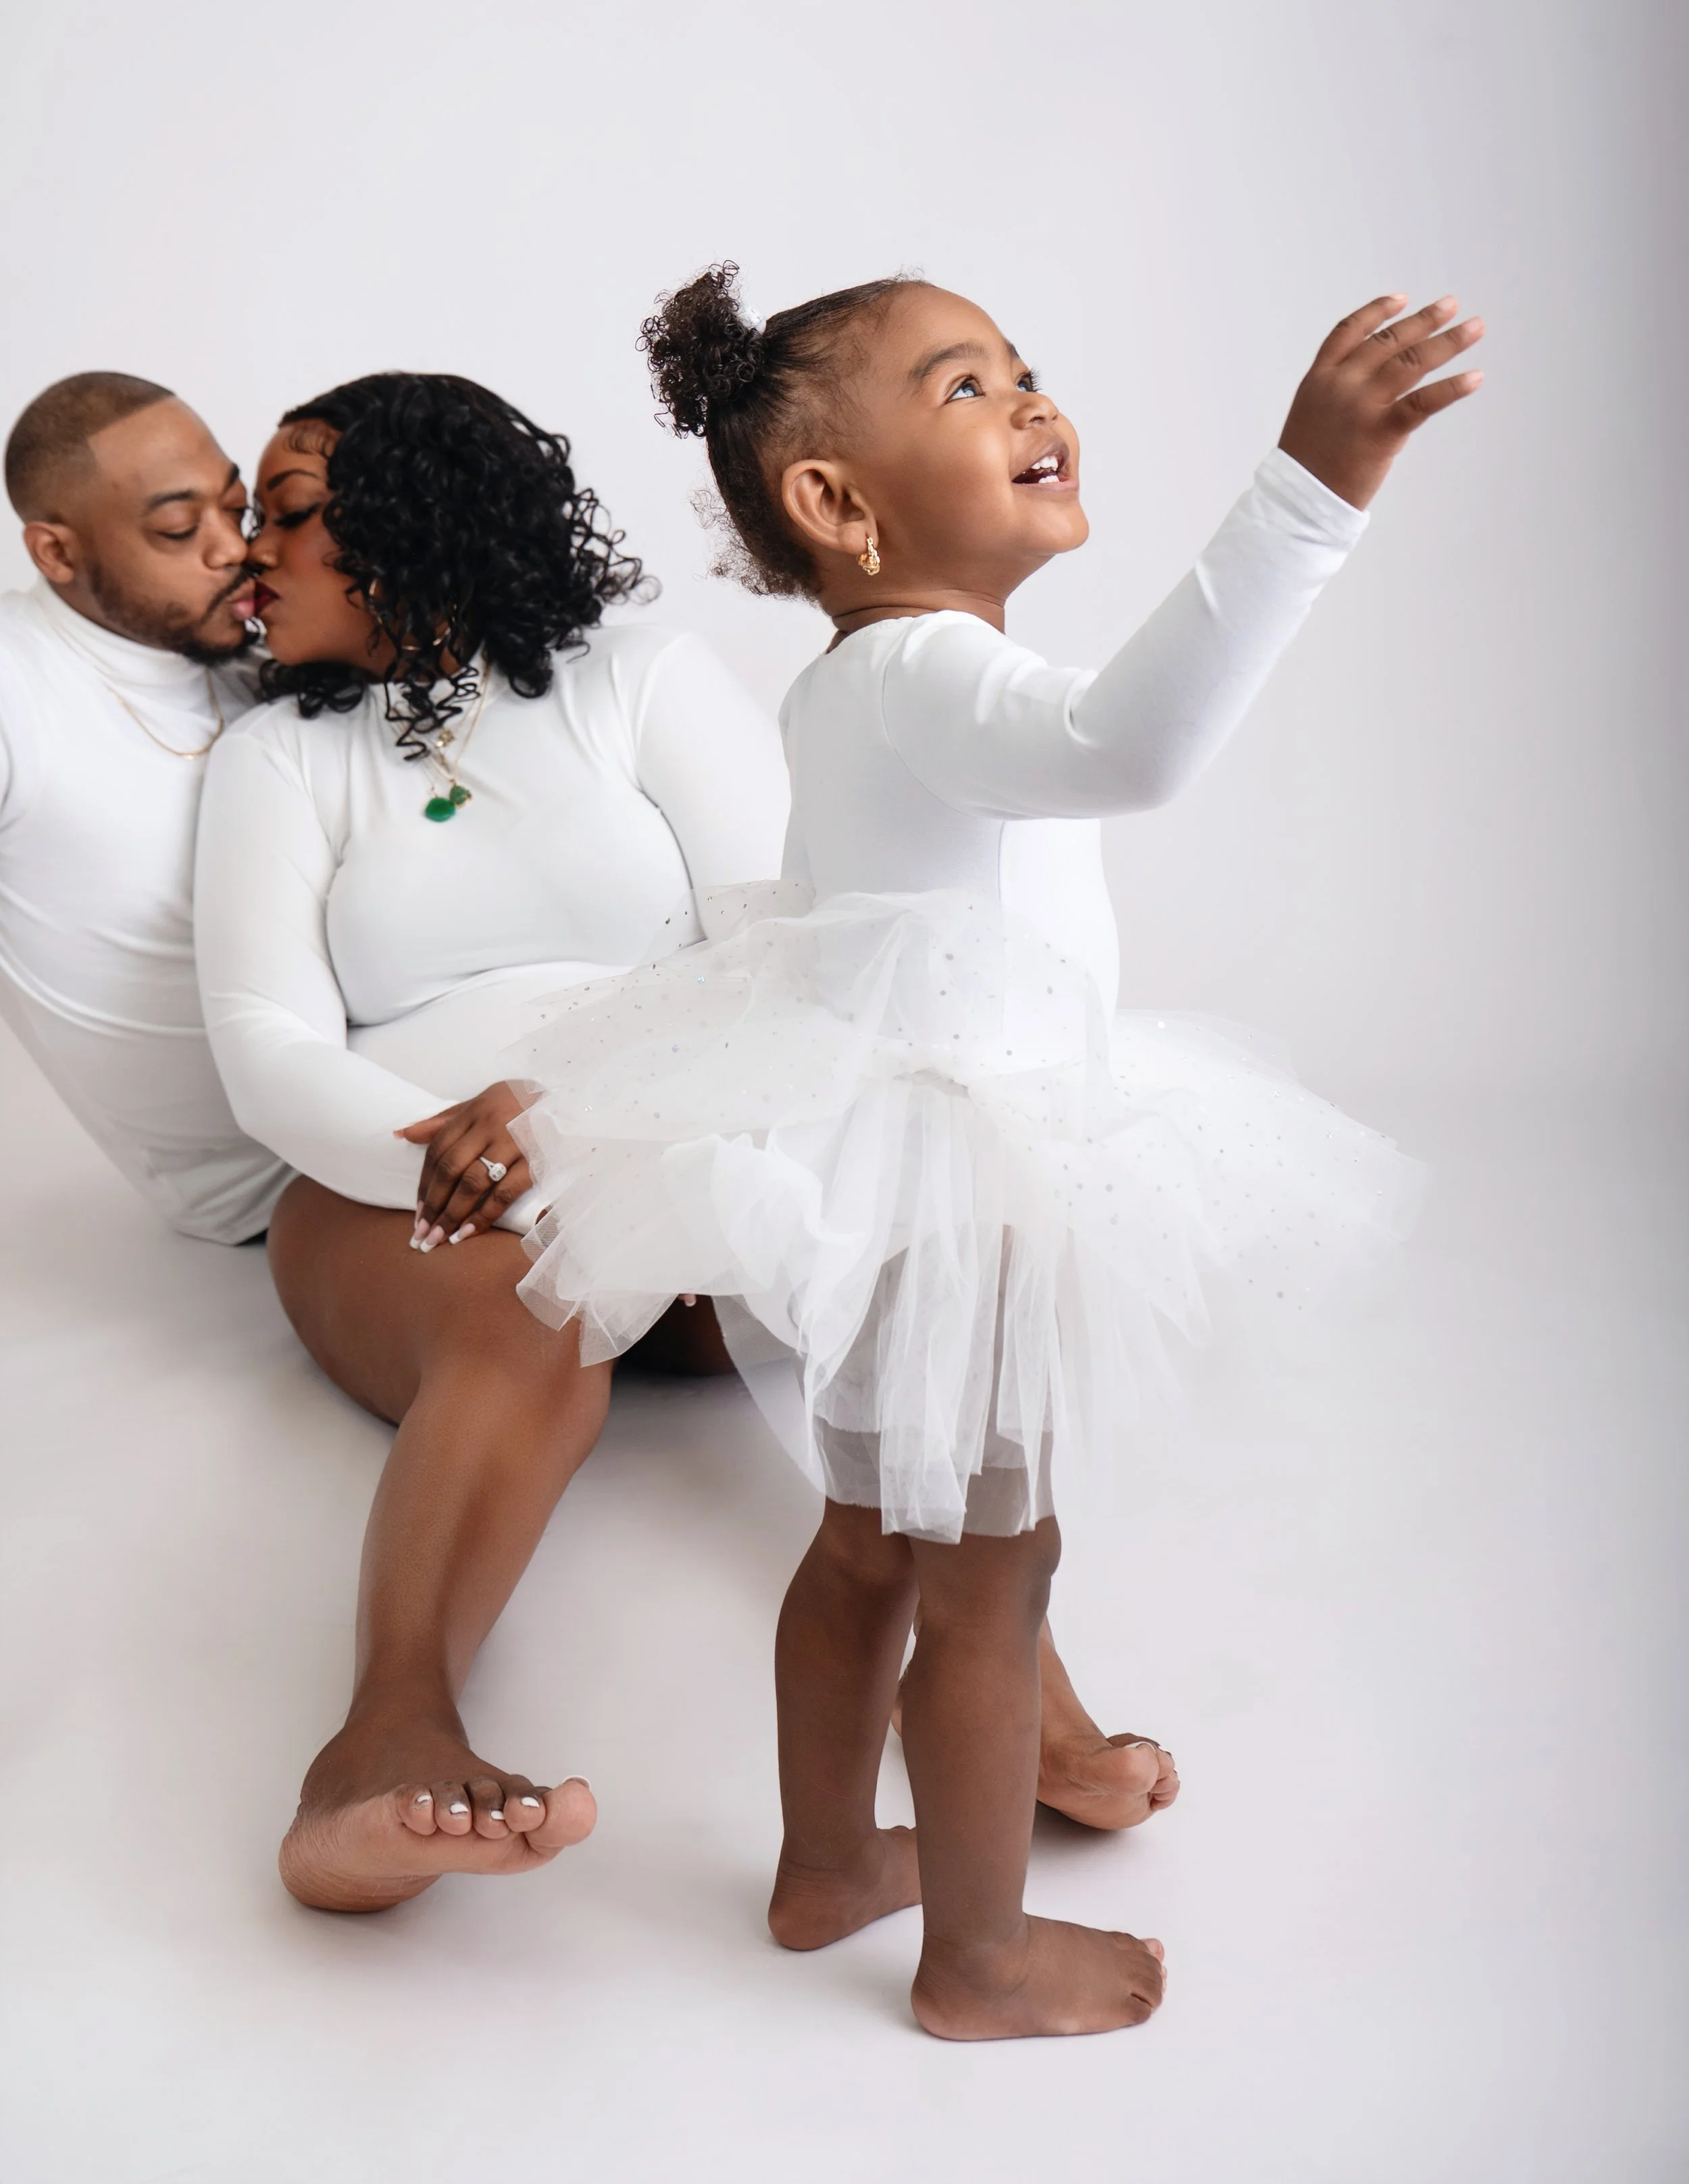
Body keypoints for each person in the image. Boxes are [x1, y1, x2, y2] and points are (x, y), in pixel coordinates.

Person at [511, 267, 1482, 2037]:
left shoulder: (851, 679)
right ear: (834, 502)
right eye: (967, 386)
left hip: (902, 1163)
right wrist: (1304, 496)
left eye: (1026, 368)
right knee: (990, 1579)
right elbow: (1131, 748)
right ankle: (977, 1959)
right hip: (975, 1178)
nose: (1034, 402)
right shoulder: (932, 667)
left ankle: (826, 1871)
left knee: (870, 1545)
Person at [192, 368, 1173, 1919]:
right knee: (529, 1332)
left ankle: (1010, 1702)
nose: (252, 552)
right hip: (405, 1195)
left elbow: (784, 937)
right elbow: (263, 1046)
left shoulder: (629, 679)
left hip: (675, 1130)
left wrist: (582, 1112)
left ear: (411, 524)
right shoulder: (276, 760)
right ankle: (379, 1744)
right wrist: (460, 1147)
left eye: (291, 514)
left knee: (910, 1263)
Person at [0, 372, 287, 1241]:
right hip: (273, 1191)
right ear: (56, 554)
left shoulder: (259, 658)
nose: (229, 549)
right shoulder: (17, 685)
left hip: (392, 1091)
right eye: (175, 528)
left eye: (234, 511)